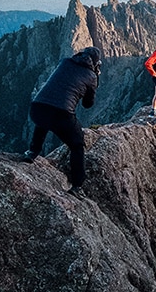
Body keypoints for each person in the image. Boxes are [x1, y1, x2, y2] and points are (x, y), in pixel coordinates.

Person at [21, 46, 102, 199]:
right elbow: (87, 104)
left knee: (44, 120)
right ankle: (77, 185)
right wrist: (95, 79)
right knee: (77, 145)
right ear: (96, 63)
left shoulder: (65, 61)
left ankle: (32, 152)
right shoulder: (91, 76)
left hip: (37, 108)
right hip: (62, 114)